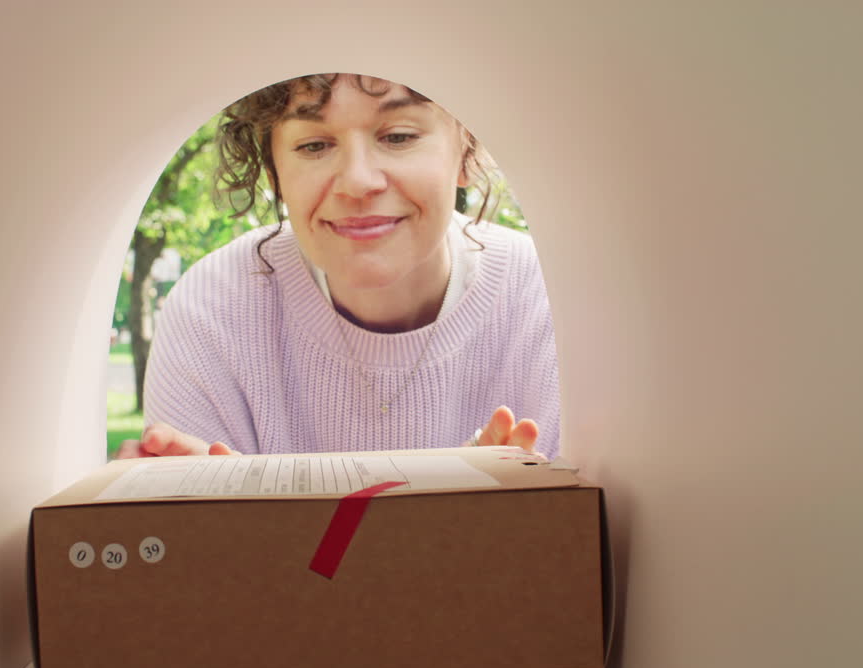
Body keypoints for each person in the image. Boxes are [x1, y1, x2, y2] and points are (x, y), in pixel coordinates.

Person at [117, 73, 559, 461]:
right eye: (313, 145)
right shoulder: (210, 311)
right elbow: (194, 549)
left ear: (466, 149)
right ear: (274, 171)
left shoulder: (547, 300)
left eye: (399, 136)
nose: (358, 181)